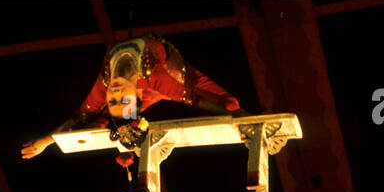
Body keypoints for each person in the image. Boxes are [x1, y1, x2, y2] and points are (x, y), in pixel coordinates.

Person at [21, 34, 241, 162]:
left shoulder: (148, 78)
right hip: (151, 80)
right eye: (121, 98)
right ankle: (126, 134)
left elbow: (196, 97)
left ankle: (126, 133)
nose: (115, 93)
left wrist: (237, 116)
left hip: (164, 70)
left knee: (225, 103)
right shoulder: (134, 80)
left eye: (113, 100)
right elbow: (80, 116)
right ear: (135, 96)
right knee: (104, 121)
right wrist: (47, 142)